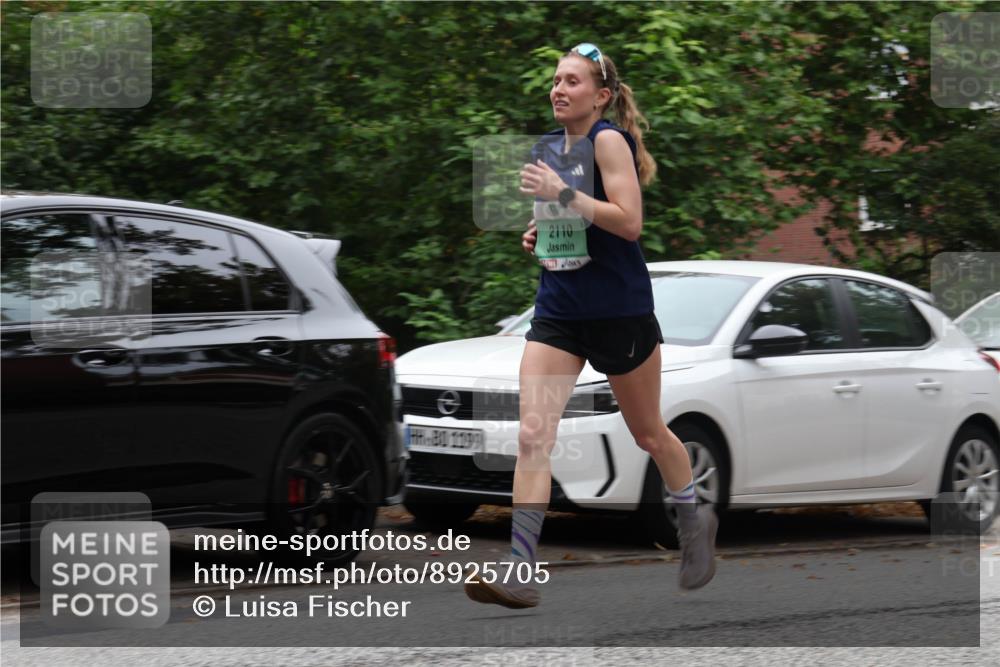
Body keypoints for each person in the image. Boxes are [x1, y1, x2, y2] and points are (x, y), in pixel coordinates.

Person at [464, 43, 717, 609]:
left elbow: (628, 223)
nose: (558, 89)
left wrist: (563, 195)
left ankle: (694, 521)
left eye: (572, 81)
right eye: (555, 80)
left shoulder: (609, 141)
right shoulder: (546, 148)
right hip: (558, 312)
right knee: (533, 436)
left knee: (649, 433)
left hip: (618, 312)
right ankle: (522, 569)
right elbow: (562, 223)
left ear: (600, 96)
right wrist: (539, 231)